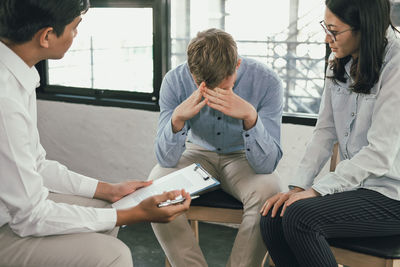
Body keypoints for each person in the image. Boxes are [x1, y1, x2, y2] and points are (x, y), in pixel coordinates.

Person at [0, 1, 191, 266]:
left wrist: (109, 190)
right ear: (46, 36)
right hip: (8, 223)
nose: (76, 35)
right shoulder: (5, 99)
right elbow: (30, 217)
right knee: (114, 254)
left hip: (11, 210)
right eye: (74, 27)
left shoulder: (17, 71)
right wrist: (133, 215)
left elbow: (36, 165)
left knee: (107, 208)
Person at [259, 0, 400, 266]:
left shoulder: (397, 64)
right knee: (273, 216)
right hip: (359, 188)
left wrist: (317, 191)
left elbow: (379, 155)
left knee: (300, 217)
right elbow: (324, 131)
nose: (327, 38)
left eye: (334, 31)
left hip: (393, 195)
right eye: (326, 27)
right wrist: (298, 187)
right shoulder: (338, 59)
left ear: (364, 29)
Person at [149, 28, 283, 267]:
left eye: (223, 86)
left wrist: (250, 118)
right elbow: (166, 159)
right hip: (198, 153)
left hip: (244, 156)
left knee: (270, 191)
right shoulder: (174, 80)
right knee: (156, 189)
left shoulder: (267, 81)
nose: (213, 93)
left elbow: (266, 165)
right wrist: (177, 119)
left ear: (237, 65)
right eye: (203, 85)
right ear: (191, 72)